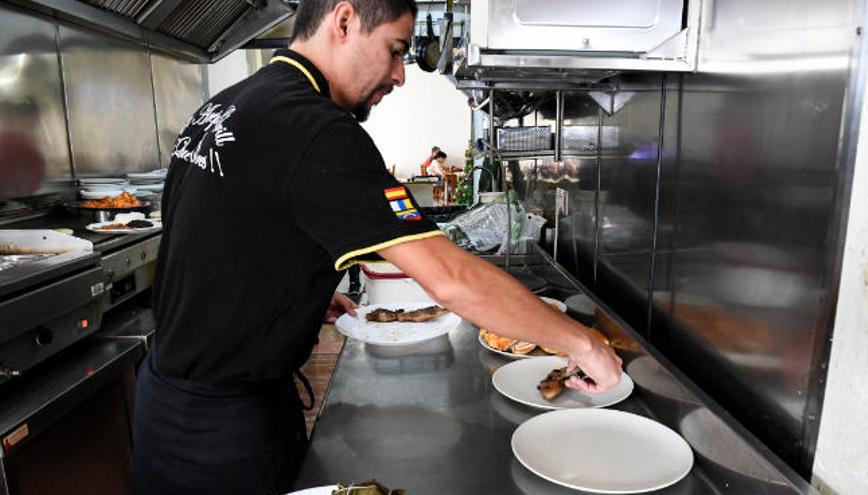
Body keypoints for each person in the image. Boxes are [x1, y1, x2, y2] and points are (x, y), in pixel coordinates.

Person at [132, 1, 622, 494]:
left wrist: (288, 296)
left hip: (167, 408)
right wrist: (583, 343)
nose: (399, 76)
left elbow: (218, 235)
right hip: (221, 437)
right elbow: (451, 279)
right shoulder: (316, 126)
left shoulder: (230, 103)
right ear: (344, 20)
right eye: (395, 50)